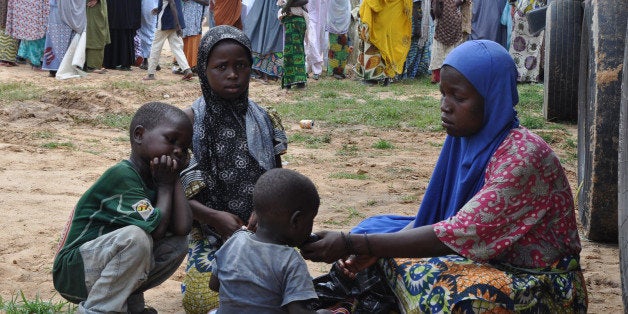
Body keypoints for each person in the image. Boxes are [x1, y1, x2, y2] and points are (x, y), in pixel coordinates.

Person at [301, 40, 588, 313]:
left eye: (458, 97)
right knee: (377, 230)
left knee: (459, 295)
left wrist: (353, 243)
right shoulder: (467, 140)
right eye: (443, 94)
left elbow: (455, 232)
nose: (445, 106)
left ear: (493, 98)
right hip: (481, 258)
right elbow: (439, 218)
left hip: (540, 282)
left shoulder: (524, 158)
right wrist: (366, 243)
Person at [179, 25, 288, 314]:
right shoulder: (187, 123)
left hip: (262, 230)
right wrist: (213, 217)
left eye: (241, 66)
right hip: (210, 231)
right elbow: (174, 191)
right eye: (221, 67)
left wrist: (265, 214)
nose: (232, 74)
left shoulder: (264, 118)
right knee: (203, 300)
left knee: (286, 289)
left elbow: (277, 179)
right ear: (204, 70)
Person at [52, 102, 194, 313]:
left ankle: (128, 305)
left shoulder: (159, 176)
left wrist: (173, 180)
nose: (177, 151)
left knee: (179, 242)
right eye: (171, 141)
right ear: (139, 135)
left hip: (102, 265)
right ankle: (99, 310)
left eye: (184, 148)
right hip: (73, 272)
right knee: (137, 238)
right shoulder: (122, 176)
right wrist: (165, 186)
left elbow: (183, 228)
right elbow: (155, 230)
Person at [209, 168, 332, 313]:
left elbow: (214, 285)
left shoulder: (234, 240)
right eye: (310, 219)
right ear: (296, 221)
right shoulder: (290, 260)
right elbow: (298, 311)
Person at [353, 0, 412, 85]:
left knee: (375, 41)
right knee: (388, 44)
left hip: (380, 16)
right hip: (394, 13)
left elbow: (375, 4)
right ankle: (386, 77)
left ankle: (372, 79)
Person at [143, 0, 194, 81]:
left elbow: (172, 3)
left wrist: (177, 25)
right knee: (177, 48)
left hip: (165, 21)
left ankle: (151, 73)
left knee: (155, 47)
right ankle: (187, 69)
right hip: (175, 21)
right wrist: (159, 8)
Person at [428, 0, 471, 83]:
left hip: (449, 23)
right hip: (448, 23)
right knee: (445, 52)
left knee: (439, 52)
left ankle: (439, 76)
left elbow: (435, 12)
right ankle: (442, 76)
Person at [243, 0, 284, 82]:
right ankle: (260, 71)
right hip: (262, 7)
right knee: (260, 32)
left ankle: (269, 72)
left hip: (275, 7)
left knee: (272, 35)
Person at [508, 0, 546, 83]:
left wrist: (512, 6)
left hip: (522, 10)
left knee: (517, 46)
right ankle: (530, 76)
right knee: (534, 45)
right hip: (537, 10)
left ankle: (516, 74)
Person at [277, 0, 308, 89]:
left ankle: (297, 82)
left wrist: (286, 8)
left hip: (295, 21)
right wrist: (285, 9)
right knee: (293, 51)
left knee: (293, 52)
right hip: (292, 20)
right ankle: (291, 82)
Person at [102, 0, 141, 71]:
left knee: (119, 33)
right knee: (122, 34)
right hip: (124, 12)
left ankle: (112, 62)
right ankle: (123, 63)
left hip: (119, 11)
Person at [402, 0, 432, 79]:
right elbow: (414, 6)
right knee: (412, 50)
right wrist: (417, 28)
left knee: (416, 50)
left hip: (416, 21)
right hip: (414, 23)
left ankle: (411, 74)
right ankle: (406, 74)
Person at [325, 0, 351, 79]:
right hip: (333, 18)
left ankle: (341, 71)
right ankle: (332, 71)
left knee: (343, 47)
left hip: (343, 17)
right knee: (334, 46)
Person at [304, 0, 328, 80]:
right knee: (311, 42)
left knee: (318, 43)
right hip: (309, 16)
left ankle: (310, 69)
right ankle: (315, 69)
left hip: (322, 19)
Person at [84, 0, 110, 73]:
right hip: (91, 7)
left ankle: (93, 65)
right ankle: (91, 66)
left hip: (98, 6)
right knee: (94, 33)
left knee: (96, 32)